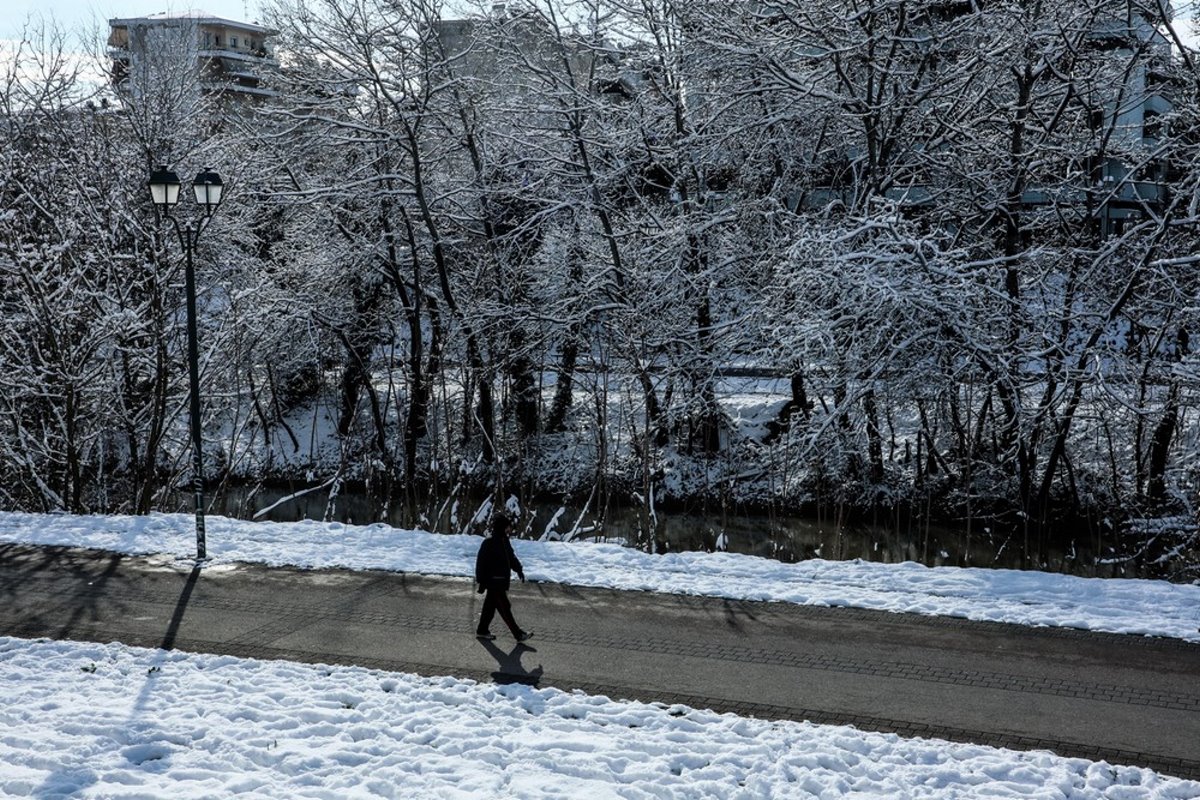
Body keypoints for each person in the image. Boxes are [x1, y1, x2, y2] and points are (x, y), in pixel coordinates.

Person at [474, 514, 532, 642]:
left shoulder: (504, 541)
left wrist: (519, 569)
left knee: (490, 607)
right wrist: (481, 581)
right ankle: (518, 635)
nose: (509, 529)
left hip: (501, 581)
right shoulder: (489, 542)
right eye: (507, 527)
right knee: (505, 607)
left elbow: (511, 558)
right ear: (502, 527)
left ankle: (482, 630)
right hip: (493, 582)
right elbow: (480, 563)